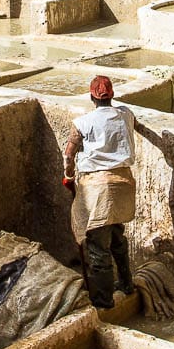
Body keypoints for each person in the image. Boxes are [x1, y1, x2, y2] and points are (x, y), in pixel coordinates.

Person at [61, 75, 141, 309]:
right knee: (117, 236)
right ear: (112, 96)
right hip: (123, 183)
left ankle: (103, 301)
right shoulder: (126, 113)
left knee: (97, 247)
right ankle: (126, 284)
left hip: (98, 189)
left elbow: (68, 155)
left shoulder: (83, 123)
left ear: (91, 97)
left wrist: (69, 176)